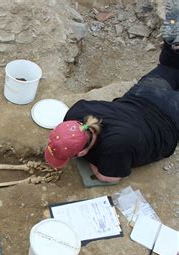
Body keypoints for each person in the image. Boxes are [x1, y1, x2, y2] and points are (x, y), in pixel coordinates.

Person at [44, 6, 179, 182]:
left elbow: (109, 177)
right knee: (170, 66)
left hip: (170, 119)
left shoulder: (114, 147)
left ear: (82, 152)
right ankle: (174, 32)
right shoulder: (76, 112)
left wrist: (93, 162)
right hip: (145, 94)